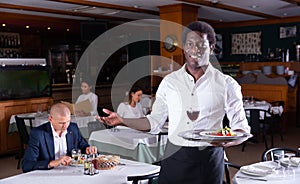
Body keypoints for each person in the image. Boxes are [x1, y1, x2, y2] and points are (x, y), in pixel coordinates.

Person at [97, 21, 250, 184]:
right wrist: (123, 120)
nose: (194, 49)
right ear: (184, 48)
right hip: (175, 157)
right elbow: (154, 122)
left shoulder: (227, 84)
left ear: (211, 48)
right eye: (190, 44)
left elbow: (241, 127)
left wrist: (228, 140)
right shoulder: (169, 82)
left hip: (209, 159)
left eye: (201, 44)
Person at [22, 103, 97, 173]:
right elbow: (26, 165)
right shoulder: (38, 134)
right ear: (50, 119)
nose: (65, 126)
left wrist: (87, 149)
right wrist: (53, 163)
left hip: (71, 171)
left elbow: (82, 145)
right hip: (48, 173)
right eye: (61, 123)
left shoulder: (73, 128)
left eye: (68, 121)